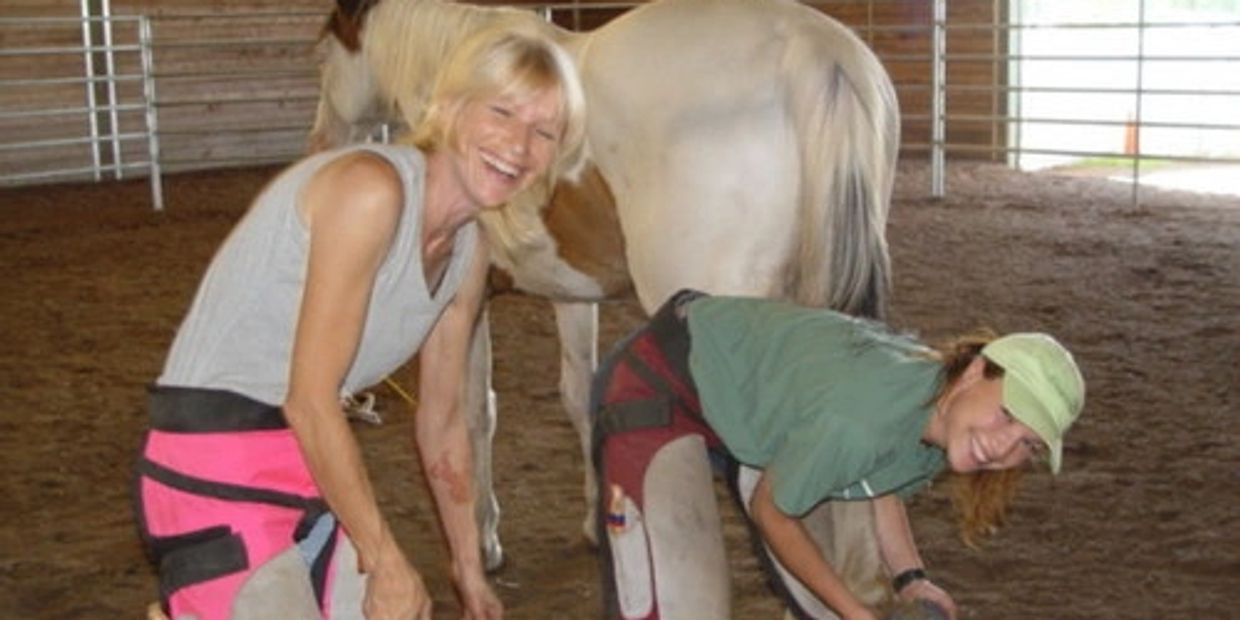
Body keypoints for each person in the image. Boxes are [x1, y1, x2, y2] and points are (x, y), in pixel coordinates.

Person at [132, 26, 585, 620]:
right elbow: (311, 401)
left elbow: (444, 422)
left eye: (544, 131)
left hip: (303, 469)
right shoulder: (370, 191)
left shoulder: (469, 251)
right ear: (447, 108)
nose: (519, 144)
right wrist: (386, 557)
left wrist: (467, 569)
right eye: (501, 111)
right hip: (211, 462)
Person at [592, 290, 1085, 620]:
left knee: (822, 594)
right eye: (1008, 416)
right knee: (669, 608)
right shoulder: (864, 417)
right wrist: (858, 617)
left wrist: (911, 578)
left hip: (744, 400)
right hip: (660, 382)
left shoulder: (939, 411)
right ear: (977, 372)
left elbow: (879, 482)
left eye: (1029, 444)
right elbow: (774, 510)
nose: (1005, 446)